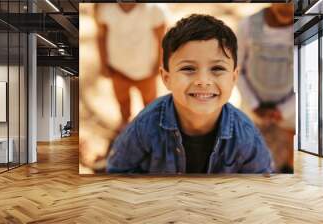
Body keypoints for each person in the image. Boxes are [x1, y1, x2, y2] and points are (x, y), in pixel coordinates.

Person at [106, 14, 272, 174]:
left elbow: (261, 183)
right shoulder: (144, 126)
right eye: (188, 69)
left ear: (233, 77)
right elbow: (118, 171)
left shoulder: (246, 135)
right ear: (166, 78)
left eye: (217, 68)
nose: (203, 81)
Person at [237, 3, 294, 173]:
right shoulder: (247, 26)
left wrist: (284, 111)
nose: (288, 7)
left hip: (291, 113)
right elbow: (236, 70)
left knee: (287, 164)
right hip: (253, 111)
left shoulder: (308, 27)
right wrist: (253, 105)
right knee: (252, 161)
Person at [95, 3, 166, 131]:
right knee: (122, 99)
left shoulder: (154, 9)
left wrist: (160, 63)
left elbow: (162, 38)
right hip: (117, 69)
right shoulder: (105, 8)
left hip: (146, 70)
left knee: (150, 101)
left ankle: (150, 125)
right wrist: (103, 63)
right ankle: (125, 120)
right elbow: (101, 35)